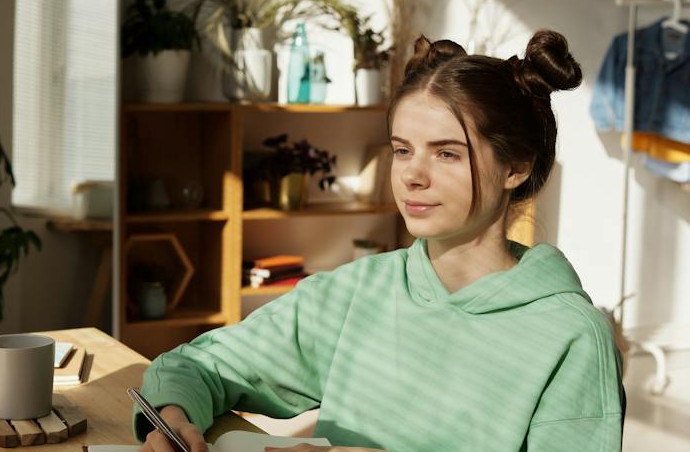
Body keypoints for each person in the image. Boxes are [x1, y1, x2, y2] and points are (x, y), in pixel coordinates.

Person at [133, 30, 626, 452]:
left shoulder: (571, 336)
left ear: (516, 167)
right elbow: (199, 364)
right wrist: (173, 414)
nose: (412, 174)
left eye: (447, 154)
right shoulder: (359, 292)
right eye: (402, 150)